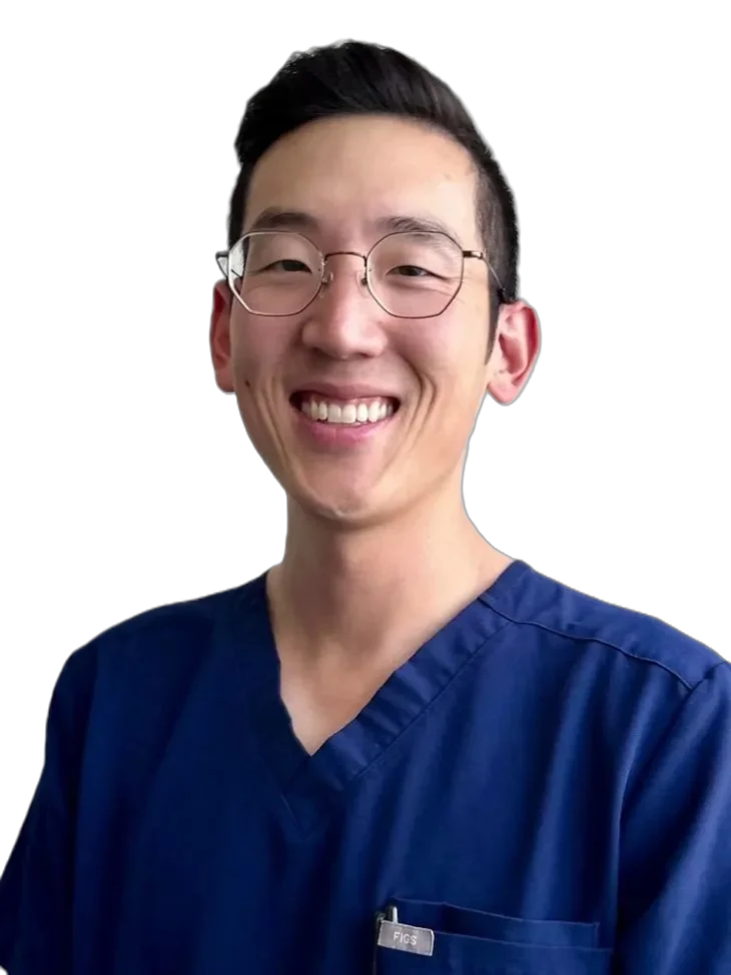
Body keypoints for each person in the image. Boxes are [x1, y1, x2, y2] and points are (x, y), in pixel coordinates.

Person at [1, 39, 728, 975]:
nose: (340, 326)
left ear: (508, 350)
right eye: (288, 262)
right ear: (224, 337)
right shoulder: (113, 700)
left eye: (415, 268)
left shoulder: (657, 724)